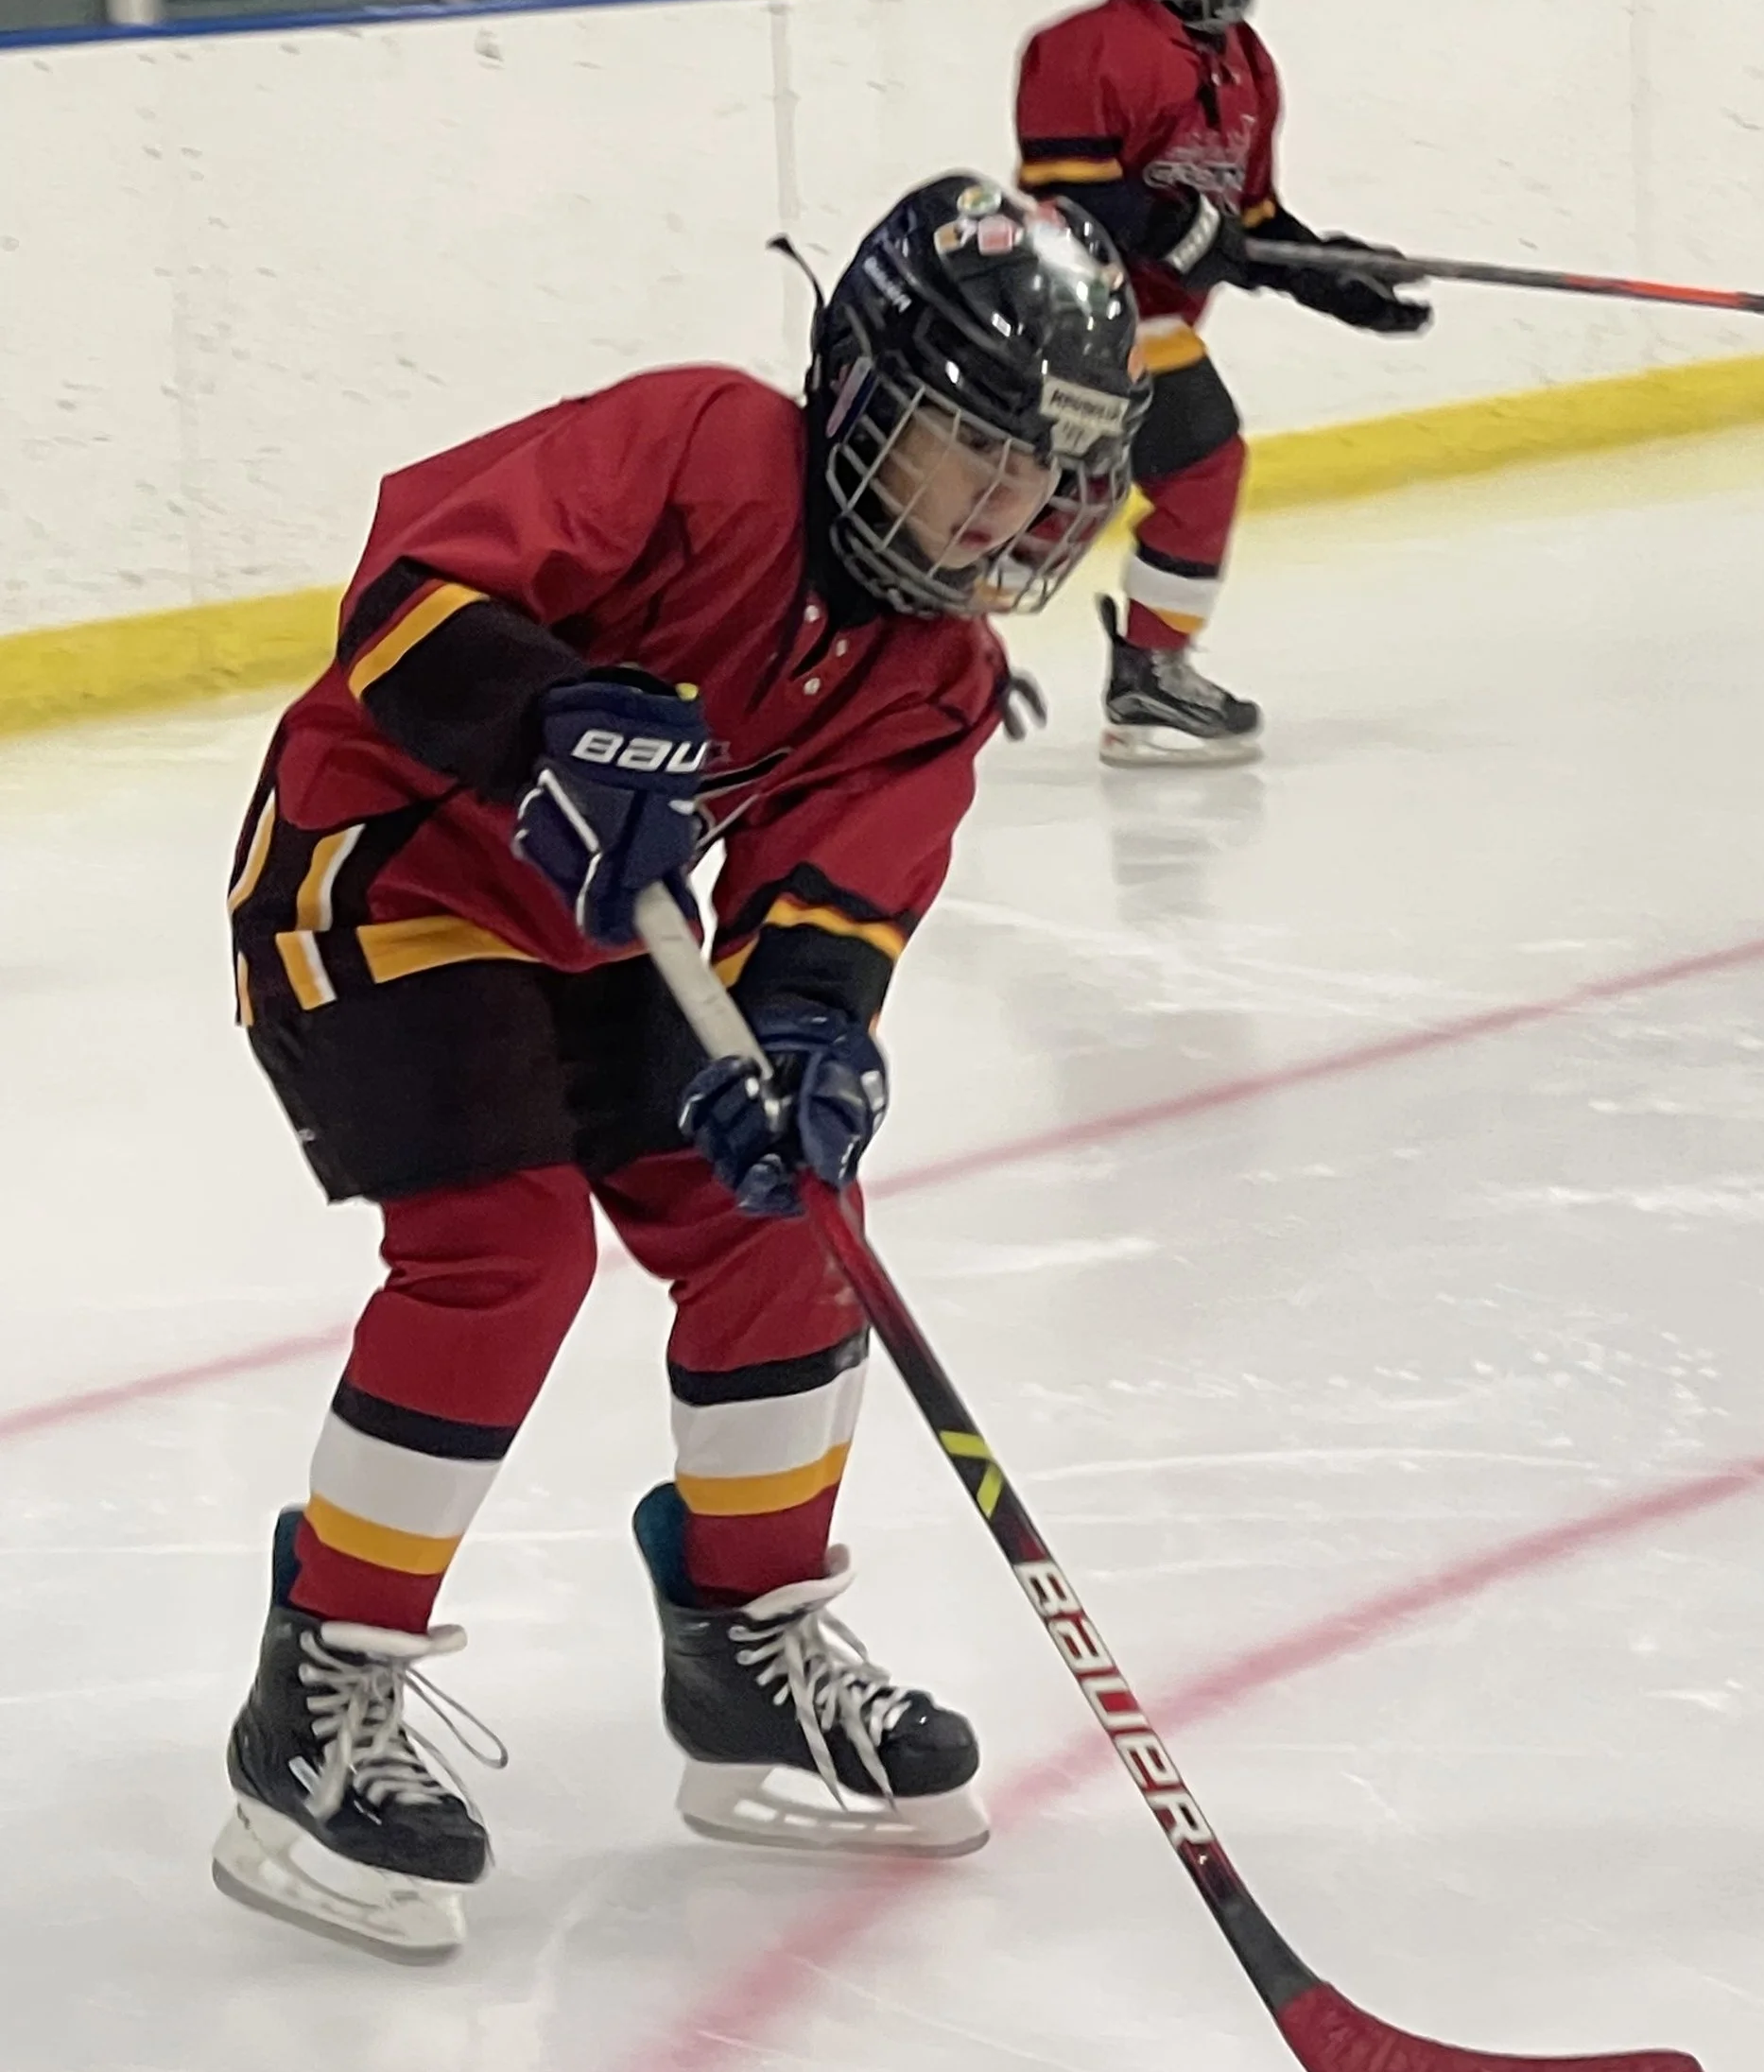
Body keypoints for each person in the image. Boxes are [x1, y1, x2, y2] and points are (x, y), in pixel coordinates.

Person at [212, 176, 1148, 1962]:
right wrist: (551, 710)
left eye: (1055, 471)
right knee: (507, 1246)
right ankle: (317, 1692)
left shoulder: (934, 669)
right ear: (869, 393)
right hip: (382, 868)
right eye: (980, 449)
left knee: (783, 1208)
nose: (1016, 506)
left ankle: (748, 1647)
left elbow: (825, 914)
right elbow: (410, 594)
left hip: (589, 930)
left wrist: (805, 1036)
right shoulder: (705, 444)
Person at [1015, 0, 1431, 768]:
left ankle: (1149, 675)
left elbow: (1251, 222)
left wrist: (1331, 277)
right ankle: (1149, 679)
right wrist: (1171, 229)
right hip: (1065, 311)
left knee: (1079, 502)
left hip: (1147, 322)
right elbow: (1070, 195)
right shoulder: (1080, 49)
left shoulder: (1247, 61)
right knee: (1164, 473)